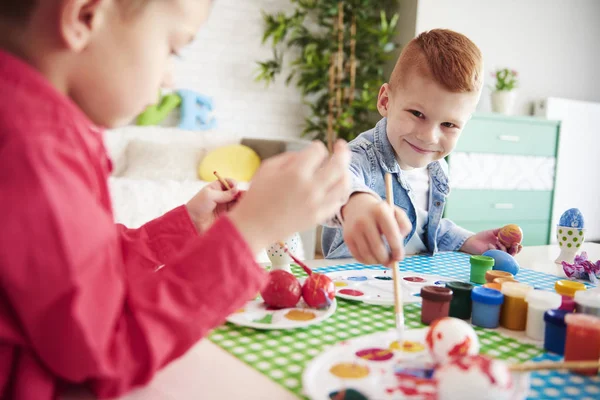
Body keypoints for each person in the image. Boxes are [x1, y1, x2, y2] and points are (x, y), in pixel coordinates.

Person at [0, 1, 351, 398]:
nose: (169, 79)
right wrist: (248, 234)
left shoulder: (32, 123)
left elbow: (81, 271)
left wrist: (184, 225)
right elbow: (104, 353)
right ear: (85, 17)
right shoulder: (33, 146)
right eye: (173, 49)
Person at [322, 29, 522, 266]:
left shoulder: (437, 169)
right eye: (417, 114)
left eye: (449, 124)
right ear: (386, 101)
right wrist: (357, 202)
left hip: (409, 286)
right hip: (352, 287)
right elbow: (334, 181)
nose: (429, 137)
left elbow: (424, 226)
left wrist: (467, 240)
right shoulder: (361, 157)